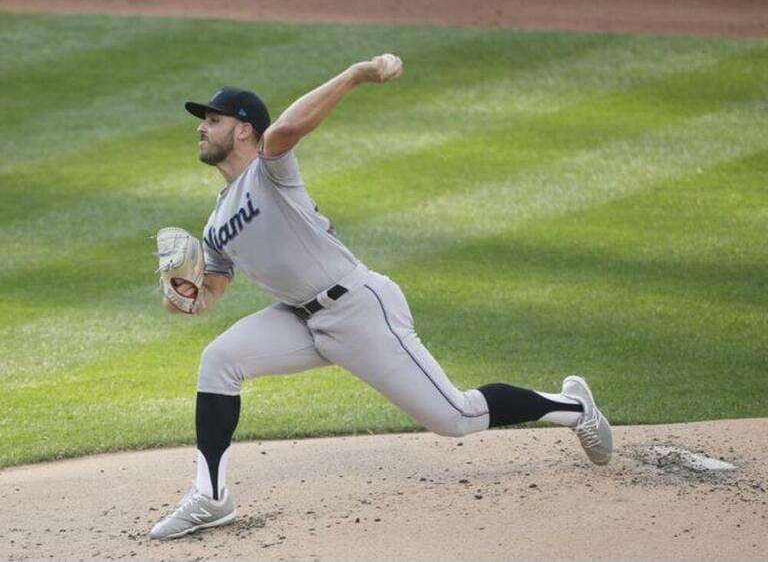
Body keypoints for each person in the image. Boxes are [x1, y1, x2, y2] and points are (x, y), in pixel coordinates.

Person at [149, 54, 613, 541]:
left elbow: (287, 128)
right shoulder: (215, 222)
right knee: (219, 360)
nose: (203, 128)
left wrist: (354, 75)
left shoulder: (270, 171)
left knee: (457, 417)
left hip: (358, 308)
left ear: (244, 130)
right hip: (298, 320)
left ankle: (573, 407)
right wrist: (182, 295)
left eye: (213, 119)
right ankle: (212, 495)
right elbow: (209, 295)